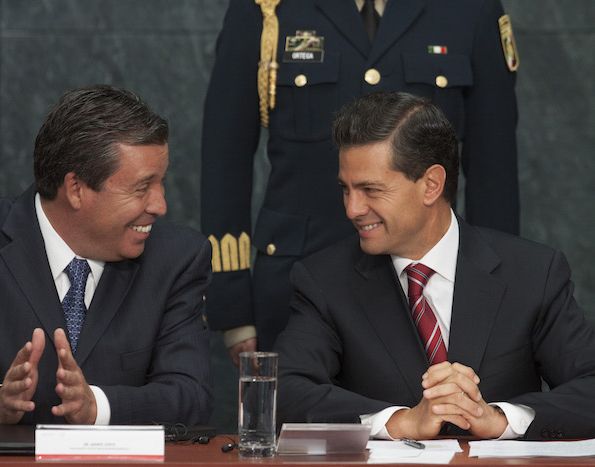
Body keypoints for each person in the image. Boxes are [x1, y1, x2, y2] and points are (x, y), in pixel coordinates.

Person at [201, 0, 521, 363]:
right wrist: (234, 310)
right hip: (295, 286)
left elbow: (494, 174)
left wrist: (496, 304)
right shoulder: (266, 8)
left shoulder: (471, 10)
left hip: (427, 290)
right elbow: (224, 158)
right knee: (297, 414)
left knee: (426, 417)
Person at [274, 91, 595, 440]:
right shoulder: (323, 280)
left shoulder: (534, 273)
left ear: (431, 185)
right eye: (346, 189)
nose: (352, 208)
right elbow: (283, 392)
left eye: (370, 190)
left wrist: (499, 419)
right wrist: (400, 422)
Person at [0, 84, 213, 433]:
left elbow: (191, 398)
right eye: (142, 188)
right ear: (76, 189)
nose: (160, 206)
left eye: (161, 183)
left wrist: (97, 408)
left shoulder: (177, 258)